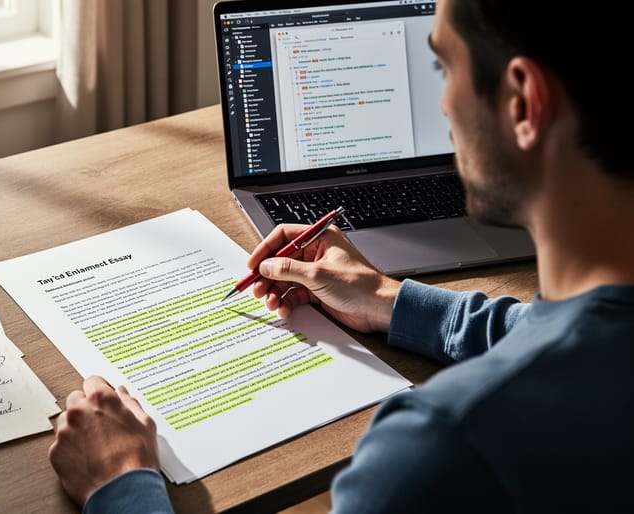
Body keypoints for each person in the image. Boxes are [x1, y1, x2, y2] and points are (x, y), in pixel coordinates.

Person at [48, 0, 634, 512]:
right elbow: (571, 340)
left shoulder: (442, 448)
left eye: (443, 66)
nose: (442, 106)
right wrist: (387, 299)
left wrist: (122, 484)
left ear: (523, 103)